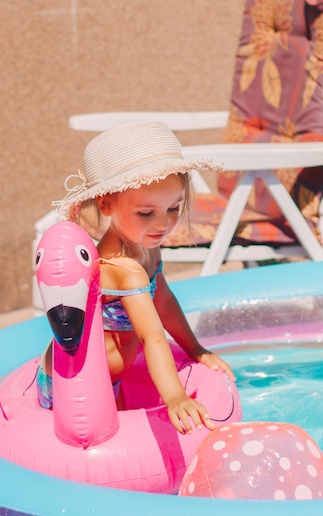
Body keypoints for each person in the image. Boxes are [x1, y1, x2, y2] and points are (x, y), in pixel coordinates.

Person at [38, 121, 235, 435]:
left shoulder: (147, 248)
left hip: (110, 378)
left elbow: (165, 303)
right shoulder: (122, 268)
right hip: (76, 384)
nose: (163, 224)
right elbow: (153, 337)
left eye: (173, 208)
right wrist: (175, 398)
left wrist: (196, 349)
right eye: (146, 213)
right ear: (106, 203)